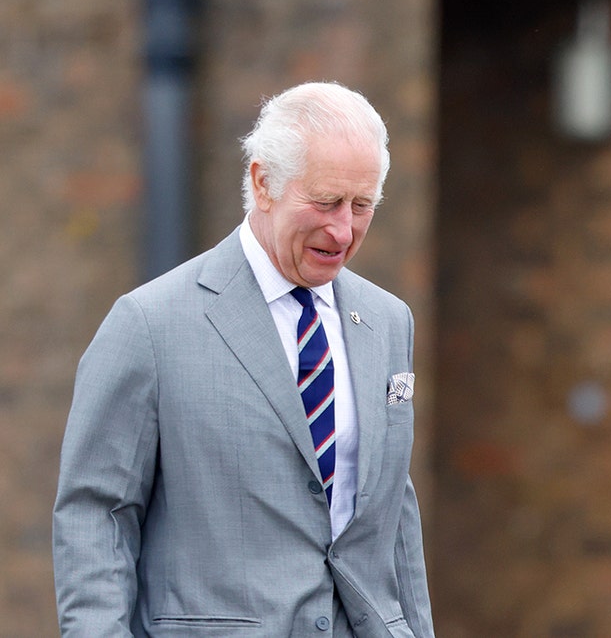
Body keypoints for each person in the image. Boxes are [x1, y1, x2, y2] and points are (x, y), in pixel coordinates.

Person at [53, 82, 435, 637]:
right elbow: (97, 515)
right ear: (263, 183)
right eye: (326, 202)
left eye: (362, 205)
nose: (344, 230)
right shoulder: (150, 324)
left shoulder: (388, 320)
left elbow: (392, 516)